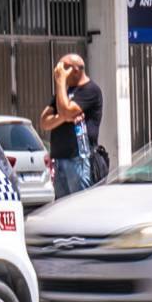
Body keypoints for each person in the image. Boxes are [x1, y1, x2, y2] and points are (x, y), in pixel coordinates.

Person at [39, 53, 103, 198]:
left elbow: (66, 110)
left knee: (79, 205)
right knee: (62, 208)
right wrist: (64, 117)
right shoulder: (63, 93)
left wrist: (60, 83)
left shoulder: (91, 90)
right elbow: (44, 121)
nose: (58, 72)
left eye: (63, 69)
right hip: (60, 159)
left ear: (75, 70)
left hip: (78, 159)